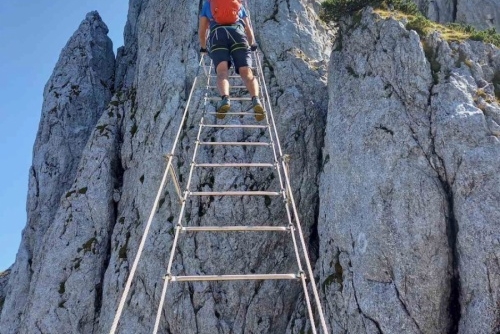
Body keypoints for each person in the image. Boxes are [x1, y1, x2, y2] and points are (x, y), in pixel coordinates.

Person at [199, 0, 265, 121]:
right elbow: (248, 28)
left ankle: (225, 98)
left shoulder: (209, 4)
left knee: (222, 72)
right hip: (238, 34)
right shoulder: (237, 3)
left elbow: (202, 29)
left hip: (218, 35)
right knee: (247, 72)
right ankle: (256, 99)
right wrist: (252, 43)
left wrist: (203, 48)